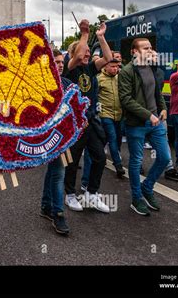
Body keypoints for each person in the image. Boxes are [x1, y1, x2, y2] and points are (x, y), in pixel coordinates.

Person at [63, 19, 113, 213]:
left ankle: (91, 193)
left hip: (91, 121)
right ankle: (69, 194)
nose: (88, 55)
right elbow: (76, 57)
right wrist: (84, 34)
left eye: (89, 53)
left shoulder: (90, 68)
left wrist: (100, 37)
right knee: (73, 161)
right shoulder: (71, 67)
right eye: (85, 52)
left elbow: (108, 57)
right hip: (75, 124)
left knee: (100, 157)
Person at [118, 38, 171, 216]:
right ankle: (137, 198)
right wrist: (148, 115)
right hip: (137, 124)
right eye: (145, 48)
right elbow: (126, 100)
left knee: (164, 158)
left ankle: (147, 187)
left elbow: (157, 92)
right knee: (136, 161)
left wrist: (163, 109)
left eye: (150, 47)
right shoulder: (126, 71)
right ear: (134, 51)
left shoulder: (153, 68)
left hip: (157, 122)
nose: (150, 50)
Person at [40, 50, 70, 235]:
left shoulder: (67, 84)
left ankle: (45, 205)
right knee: (59, 172)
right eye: (56, 62)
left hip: (64, 138)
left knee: (54, 170)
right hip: (48, 138)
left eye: (61, 62)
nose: (60, 65)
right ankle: (58, 213)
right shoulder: (41, 85)